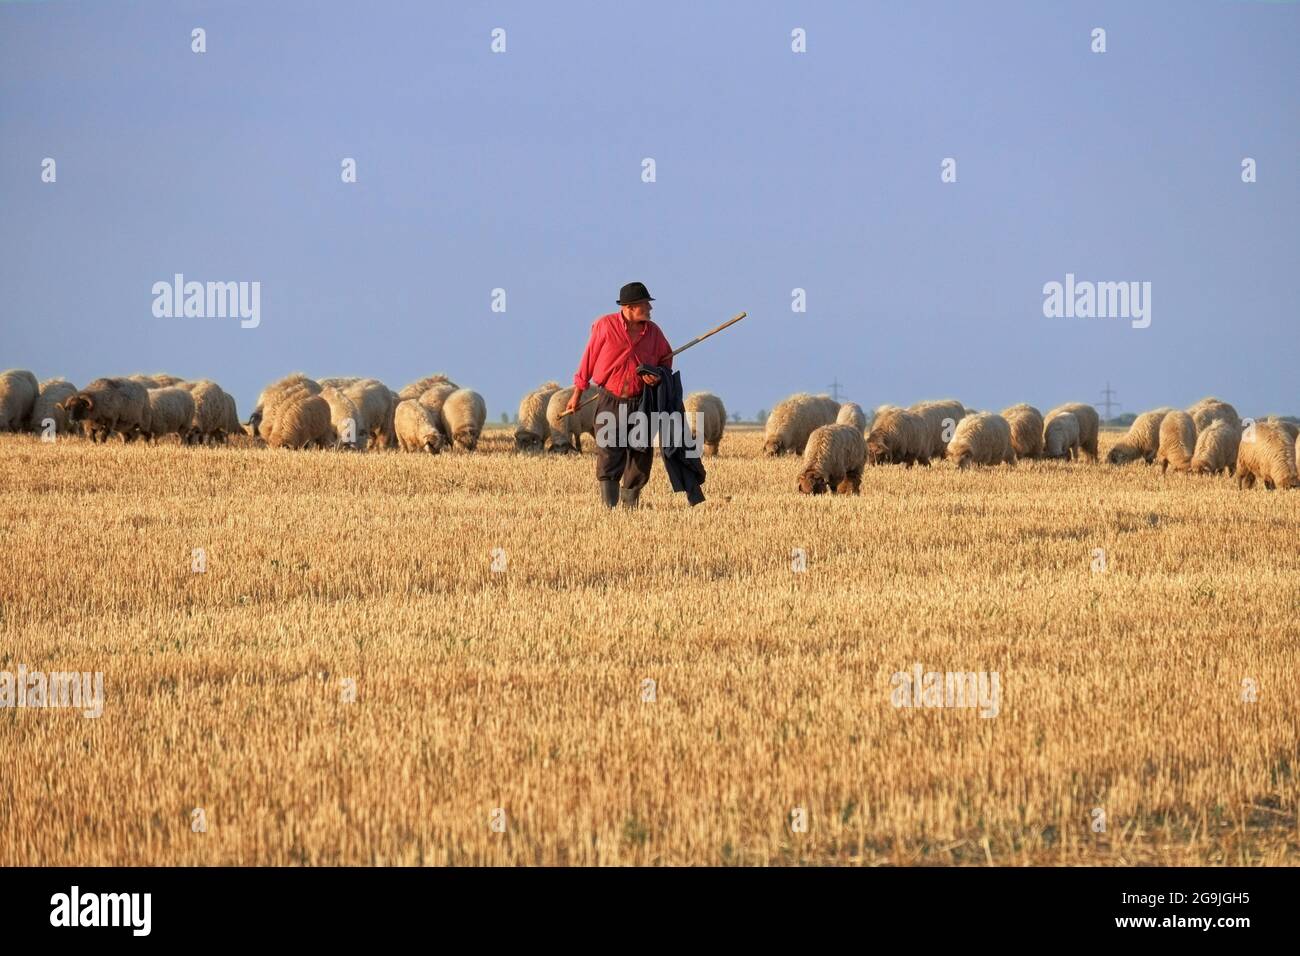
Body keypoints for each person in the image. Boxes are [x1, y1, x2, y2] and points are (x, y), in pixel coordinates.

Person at [568, 282, 673, 508]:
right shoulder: (605, 326)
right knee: (609, 451)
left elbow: (666, 359)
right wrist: (577, 394)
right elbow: (588, 359)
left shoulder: (654, 333)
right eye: (645, 304)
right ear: (629, 307)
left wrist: (658, 375)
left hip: (642, 401)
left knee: (641, 455)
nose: (650, 309)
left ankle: (629, 509)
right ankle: (609, 508)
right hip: (610, 400)